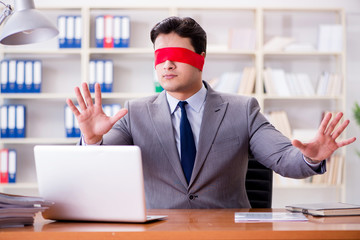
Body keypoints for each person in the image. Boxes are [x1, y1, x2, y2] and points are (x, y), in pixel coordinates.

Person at [66, 16, 356, 209]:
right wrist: (91, 139)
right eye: (160, 57)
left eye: (177, 56)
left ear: (200, 59)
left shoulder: (242, 109)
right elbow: (98, 169)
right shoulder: (133, 112)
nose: (166, 65)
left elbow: (283, 158)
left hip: (228, 232)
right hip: (158, 232)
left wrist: (310, 157)